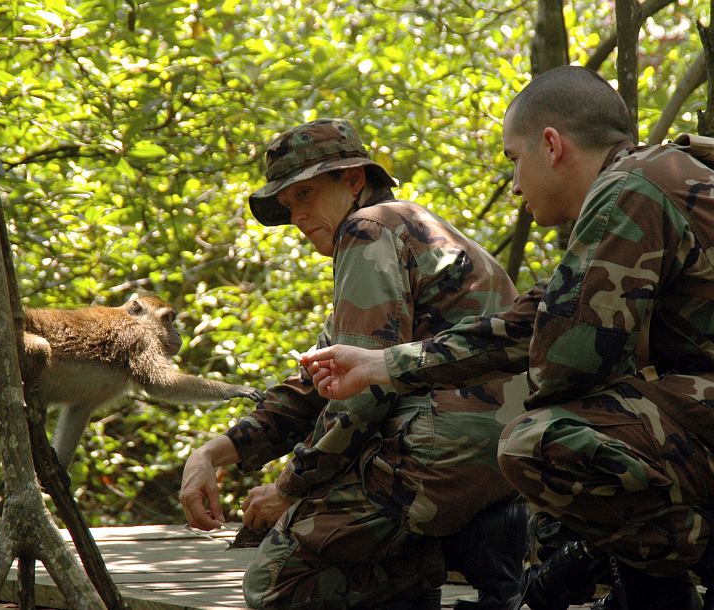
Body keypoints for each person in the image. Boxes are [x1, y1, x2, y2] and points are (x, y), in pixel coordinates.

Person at [301, 66, 714, 610]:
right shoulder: (657, 176)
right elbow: (529, 322)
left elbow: (567, 363)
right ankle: (641, 584)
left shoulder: (629, 190)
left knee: (539, 438)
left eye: (514, 160)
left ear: (551, 145)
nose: (516, 184)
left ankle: (659, 589)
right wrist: (383, 364)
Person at [179, 118, 530, 610]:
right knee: (370, 570)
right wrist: (212, 455)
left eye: (305, 195)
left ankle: (456, 543)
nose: (297, 216)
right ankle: (456, 540)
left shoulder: (369, 230)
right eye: (287, 205)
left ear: (353, 180)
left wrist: (288, 488)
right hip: (503, 449)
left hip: (444, 446)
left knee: (275, 581)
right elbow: (315, 383)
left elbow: (361, 393)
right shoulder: (403, 230)